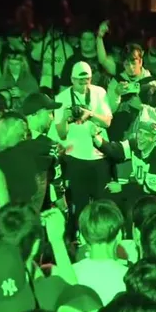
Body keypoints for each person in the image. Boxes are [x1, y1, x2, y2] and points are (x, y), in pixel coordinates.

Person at [54, 62, 112, 230]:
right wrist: (65, 118)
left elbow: (107, 122)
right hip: (76, 158)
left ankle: (101, 232)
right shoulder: (62, 98)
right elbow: (61, 134)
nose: (84, 84)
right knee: (79, 204)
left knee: (101, 203)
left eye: (87, 80)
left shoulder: (99, 92)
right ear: (72, 79)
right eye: (80, 81)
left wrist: (91, 114)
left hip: (99, 156)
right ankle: (79, 235)